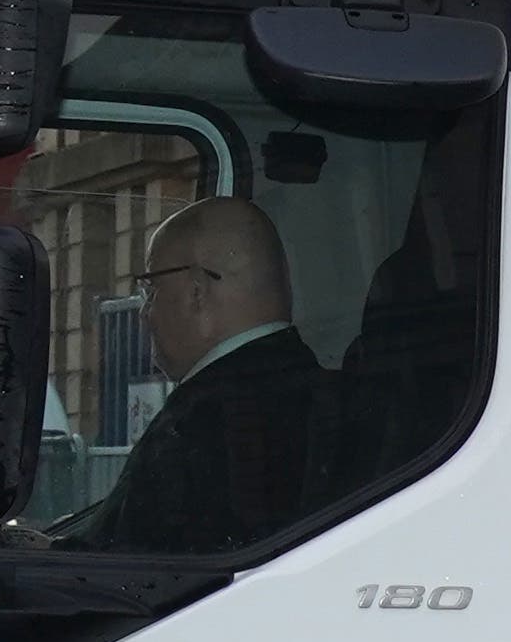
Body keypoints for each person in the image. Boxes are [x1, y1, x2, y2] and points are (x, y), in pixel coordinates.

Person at [85, 196, 339, 554]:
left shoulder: (196, 425)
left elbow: (118, 572)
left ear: (196, 293)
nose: (145, 313)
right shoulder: (334, 398)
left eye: (151, 289)